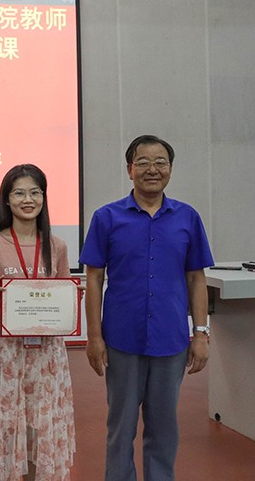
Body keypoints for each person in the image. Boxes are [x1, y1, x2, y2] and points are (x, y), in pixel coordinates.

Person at [80, 135, 213, 481]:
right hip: (121, 339)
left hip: (171, 339)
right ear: (130, 169)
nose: (152, 169)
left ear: (170, 169)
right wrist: (94, 337)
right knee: (121, 426)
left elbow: (196, 278)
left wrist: (201, 334)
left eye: (160, 162)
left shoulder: (187, 217)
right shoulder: (107, 217)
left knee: (164, 426)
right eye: (142, 162)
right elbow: (93, 279)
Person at [0, 164, 76, 481]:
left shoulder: (57, 246)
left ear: (43, 197)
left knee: (42, 424)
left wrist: (71, 299)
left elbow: (64, 303)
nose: (28, 200)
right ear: (7, 199)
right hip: (7, 351)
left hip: (47, 352)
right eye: (19, 193)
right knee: (8, 422)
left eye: (35, 193)